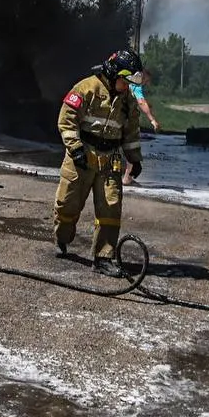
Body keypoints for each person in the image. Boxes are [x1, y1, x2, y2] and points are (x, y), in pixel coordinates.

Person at [54, 49, 145, 276]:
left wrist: (134, 158)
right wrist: (75, 149)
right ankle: (62, 237)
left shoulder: (127, 101)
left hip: (109, 161)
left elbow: (131, 132)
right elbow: (66, 121)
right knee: (67, 204)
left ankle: (104, 257)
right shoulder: (86, 89)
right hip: (81, 157)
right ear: (114, 75)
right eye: (125, 82)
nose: (128, 87)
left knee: (110, 208)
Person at [124, 70, 159, 185]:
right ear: (142, 77)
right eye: (146, 80)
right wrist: (152, 119)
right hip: (127, 122)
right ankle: (127, 178)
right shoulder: (136, 86)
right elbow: (141, 102)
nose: (146, 83)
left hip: (117, 119)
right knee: (132, 148)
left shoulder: (125, 83)